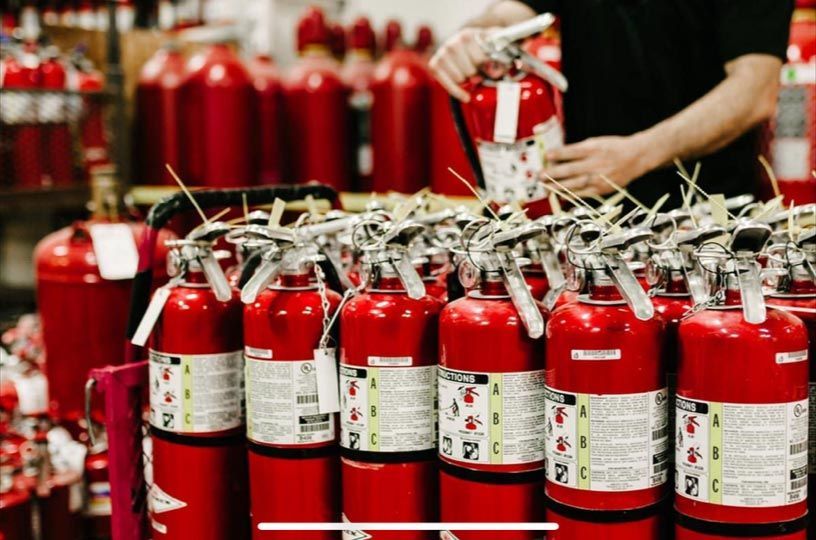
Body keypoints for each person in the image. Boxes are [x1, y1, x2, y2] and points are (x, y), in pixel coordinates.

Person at [429, 0, 793, 208]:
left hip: (706, 222)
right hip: (590, 215)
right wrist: (480, 33)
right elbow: (517, 10)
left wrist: (636, 154)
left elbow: (754, 90)